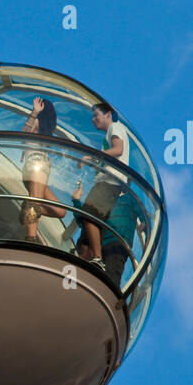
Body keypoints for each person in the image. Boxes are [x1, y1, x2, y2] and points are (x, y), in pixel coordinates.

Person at [73, 102, 129, 270]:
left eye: (96, 115)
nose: (93, 119)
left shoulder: (115, 128)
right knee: (92, 227)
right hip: (110, 183)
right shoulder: (111, 132)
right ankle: (89, 260)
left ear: (108, 114)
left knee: (89, 214)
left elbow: (118, 149)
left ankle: (97, 259)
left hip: (109, 182)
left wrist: (91, 157)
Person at [18, 97, 68, 244]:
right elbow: (24, 135)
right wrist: (35, 112)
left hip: (41, 169)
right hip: (36, 164)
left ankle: (28, 207)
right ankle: (31, 239)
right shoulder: (36, 122)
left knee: (60, 211)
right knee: (35, 203)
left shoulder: (45, 132)